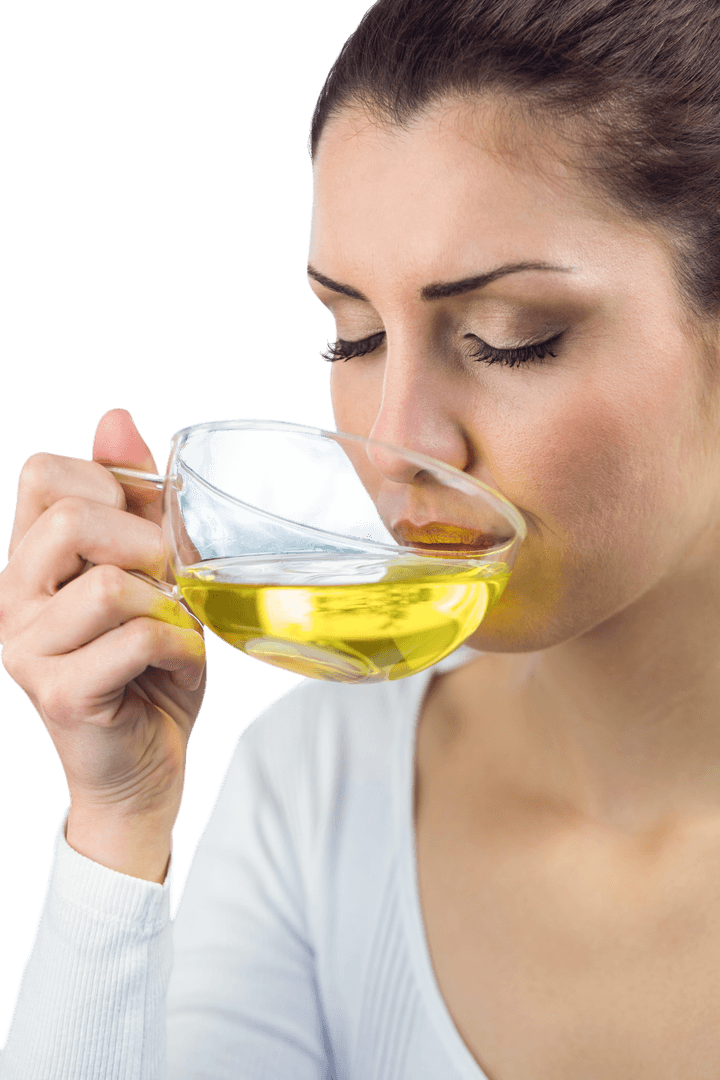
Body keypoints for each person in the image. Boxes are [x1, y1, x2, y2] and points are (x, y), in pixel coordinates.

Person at [2, 0, 720, 1075]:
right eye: (355, 339)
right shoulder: (318, 778)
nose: (394, 448)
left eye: (509, 340)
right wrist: (119, 822)